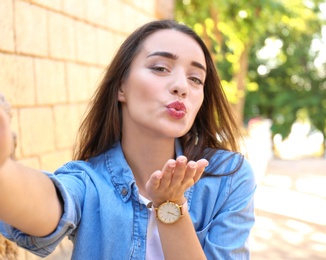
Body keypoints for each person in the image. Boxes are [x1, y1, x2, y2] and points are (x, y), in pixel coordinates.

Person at [0, 19, 256, 259]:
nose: (182, 86)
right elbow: (48, 205)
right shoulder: (89, 181)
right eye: (160, 68)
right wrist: (4, 169)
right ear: (121, 86)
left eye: (195, 79)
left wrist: (171, 205)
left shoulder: (228, 177)